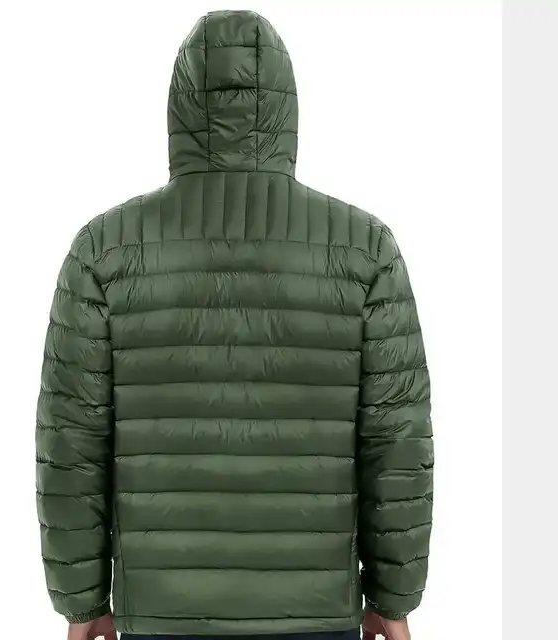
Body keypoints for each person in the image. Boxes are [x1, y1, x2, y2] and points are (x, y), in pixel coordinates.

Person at [36, 10, 433, 640]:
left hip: (161, 615)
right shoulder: (366, 251)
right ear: (284, 106)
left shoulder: (103, 252)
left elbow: (71, 443)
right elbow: (397, 443)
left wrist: (81, 603)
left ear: (179, 107)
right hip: (315, 613)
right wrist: (394, 596)